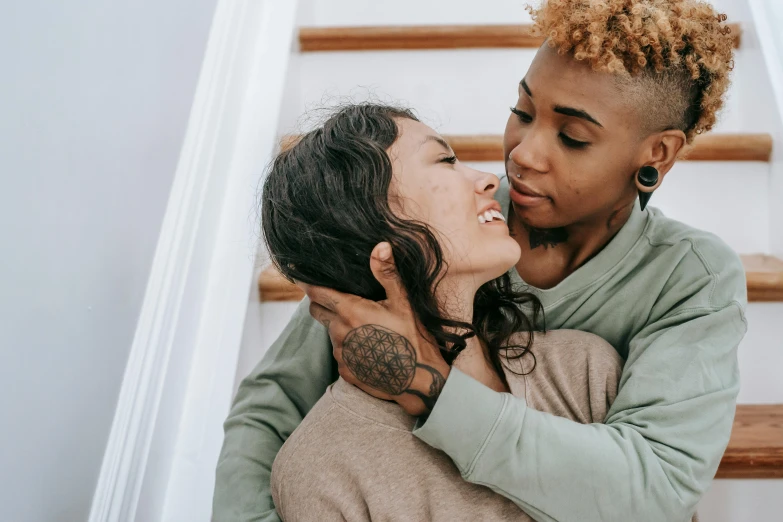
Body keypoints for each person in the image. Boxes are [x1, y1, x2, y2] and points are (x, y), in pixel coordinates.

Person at [214, 1, 746, 521]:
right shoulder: (442, 229)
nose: (521, 156)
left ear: (656, 154)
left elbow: (654, 489)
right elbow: (272, 405)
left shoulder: (688, 279)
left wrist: (432, 388)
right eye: (522, 112)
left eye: (573, 137)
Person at [261, 104, 625, 521]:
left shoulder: (584, 370)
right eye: (445, 160)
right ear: (372, 223)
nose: (491, 180)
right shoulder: (321, 468)